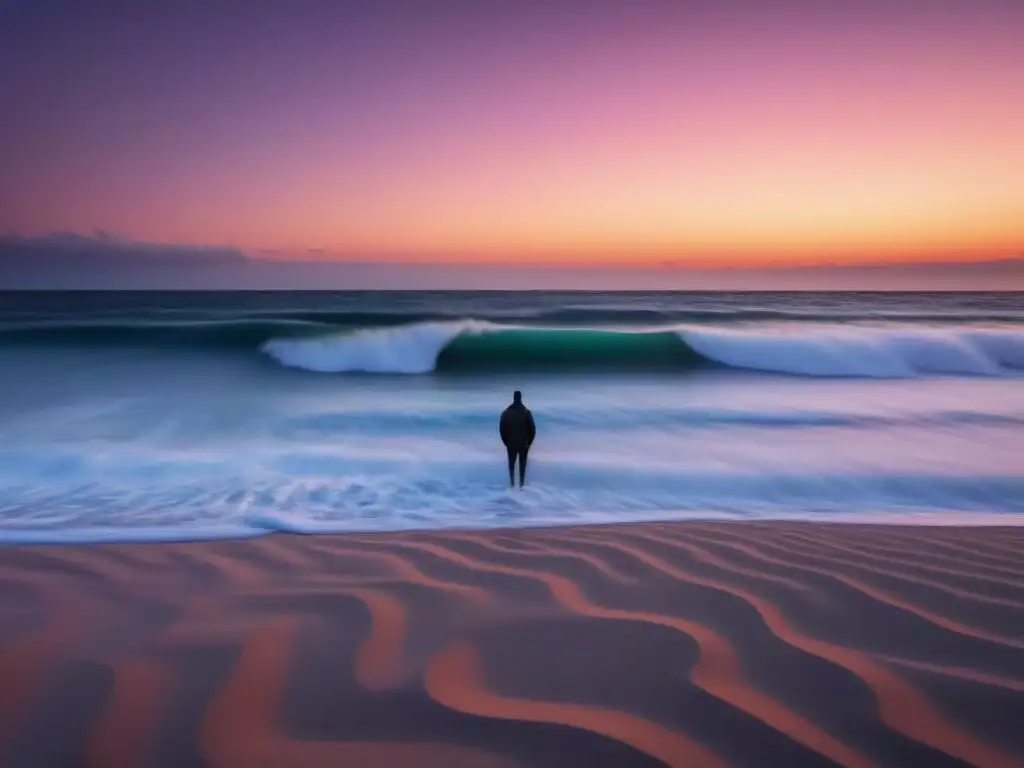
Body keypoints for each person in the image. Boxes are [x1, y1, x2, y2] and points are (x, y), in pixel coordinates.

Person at [499, 390, 536, 488]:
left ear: (514, 398)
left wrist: (506, 442)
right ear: (520, 398)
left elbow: (502, 429)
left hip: (511, 443)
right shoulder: (526, 412)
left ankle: (511, 486)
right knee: (522, 467)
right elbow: (532, 429)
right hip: (523, 443)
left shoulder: (506, 413)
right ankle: (521, 487)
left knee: (511, 465)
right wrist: (529, 442)